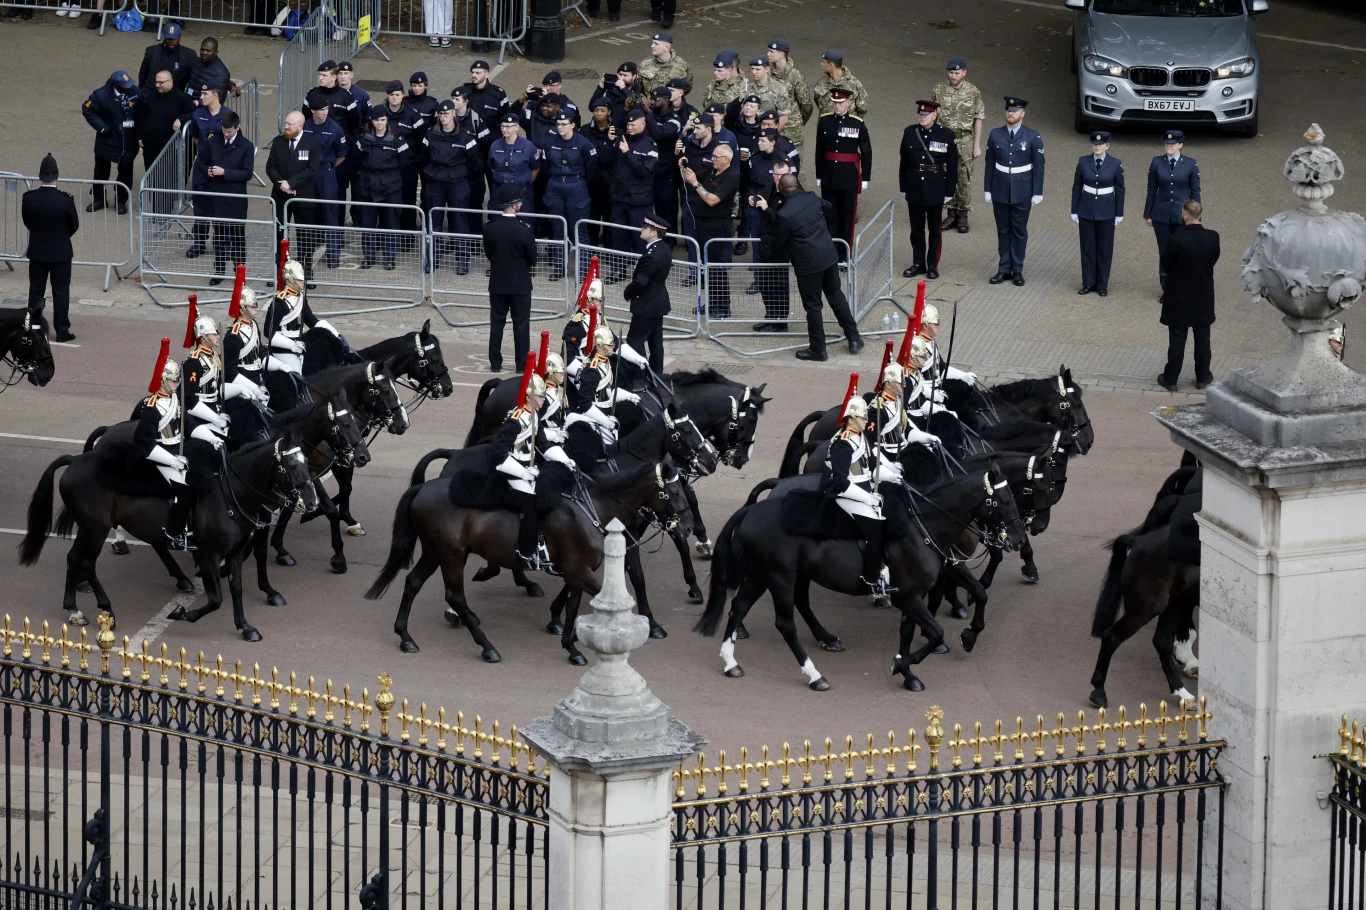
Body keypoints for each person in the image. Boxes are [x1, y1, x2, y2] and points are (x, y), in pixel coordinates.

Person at [771, 174, 862, 360]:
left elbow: (778, 243)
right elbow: (828, 208)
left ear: (780, 189)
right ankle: (853, 337)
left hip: (808, 265)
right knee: (836, 296)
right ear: (798, 185)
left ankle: (818, 349)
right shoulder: (812, 198)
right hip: (828, 256)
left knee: (813, 307)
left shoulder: (783, 214)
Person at [497, 359, 575, 570]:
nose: (543, 400)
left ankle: (542, 543)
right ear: (530, 396)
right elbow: (498, 455)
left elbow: (543, 444)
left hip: (529, 470)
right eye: (541, 396)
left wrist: (565, 460)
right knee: (531, 507)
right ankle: (526, 552)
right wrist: (523, 473)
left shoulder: (534, 417)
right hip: (511, 472)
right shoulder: (515, 420)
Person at [821, 383, 889, 594]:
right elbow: (841, 481)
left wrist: (893, 475)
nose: (866, 421)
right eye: (862, 418)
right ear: (850, 418)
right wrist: (868, 499)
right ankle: (871, 580)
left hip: (864, 488)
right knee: (875, 530)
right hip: (846, 493)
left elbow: (870, 466)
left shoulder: (860, 437)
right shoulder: (842, 444)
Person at [137, 339, 195, 550]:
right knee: (184, 491)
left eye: (178, 381)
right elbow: (146, 443)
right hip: (162, 454)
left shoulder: (174, 399)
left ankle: (192, 526)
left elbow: (186, 423)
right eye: (173, 381)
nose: (177, 385)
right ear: (163, 381)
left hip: (178, 448)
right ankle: (173, 533)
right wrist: (172, 460)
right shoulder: (151, 407)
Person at [1158, 200, 1219, 392]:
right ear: (1200, 215)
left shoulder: (1176, 239)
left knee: (1177, 338)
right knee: (1202, 337)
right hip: (1203, 294)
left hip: (1178, 296)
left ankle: (1171, 379)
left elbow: (1166, 265)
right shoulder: (1213, 237)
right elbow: (1213, 259)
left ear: (1184, 216)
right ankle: (1202, 377)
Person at [984, 96, 1045, 287]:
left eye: (1015, 111)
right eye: (1008, 110)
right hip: (1000, 188)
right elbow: (989, 164)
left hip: (1022, 190)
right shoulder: (995, 134)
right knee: (1003, 230)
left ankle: (1017, 270)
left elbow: (1039, 166)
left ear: (1022, 114)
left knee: (1019, 231)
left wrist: (1037, 191)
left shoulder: (1032, 136)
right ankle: (1003, 269)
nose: (1010, 113)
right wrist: (987, 189)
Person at [264, 258, 340, 409]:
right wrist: (292, 345)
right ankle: (294, 409)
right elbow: (269, 333)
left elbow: (311, 320)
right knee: (297, 377)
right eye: (299, 280)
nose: (303, 282)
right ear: (289, 280)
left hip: (300, 344)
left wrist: (332, 332)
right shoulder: (279, 302)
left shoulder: (300, 296)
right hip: (284, 348)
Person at [898, 100, 958, 280]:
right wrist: (903, 187)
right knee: (916, 229)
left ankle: (932, 264)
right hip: (914, 185)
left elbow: (953, 166)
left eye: (926, 115)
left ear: (935, 115)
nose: (923, 117)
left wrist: (949, 191)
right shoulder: (910, 133)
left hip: (935, 185)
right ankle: (918, 262)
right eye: (921, 114)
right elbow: (904, 163)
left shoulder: (946, 136)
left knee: (934, 229)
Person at [193, 109, 254, 287]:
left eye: (229, 131)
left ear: (238, 128)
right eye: (224, 130)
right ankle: (219, 270)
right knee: (218, 235)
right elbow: (201, 163)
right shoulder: (214, 141)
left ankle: (239, 271)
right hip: (217, 194)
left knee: (237, 236)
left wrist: (225, 172)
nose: (226, 134)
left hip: (235, 197)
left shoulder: (246, 146)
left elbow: (247, 173)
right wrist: (208, 171)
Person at [22, 155, 79, 343]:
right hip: (61, 252)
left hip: (38, 250)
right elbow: (74, 225)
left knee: (36, 290)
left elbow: (28, 222)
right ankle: (62, 330)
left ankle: (34, 329)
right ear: (57, 176)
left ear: (40, 177)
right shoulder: (65, 200)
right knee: (61, 291)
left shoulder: (29, 199)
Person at [423, 99, 482, 275]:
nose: (443, 117)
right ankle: (433, 259)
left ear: (453, 114)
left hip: (457, 183)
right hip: (436, 182)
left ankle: (463, 261)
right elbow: (424, 156)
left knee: (460, 223)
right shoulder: (430, 135)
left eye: (446, 113)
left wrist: (460, 174)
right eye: (441, 114)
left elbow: (475, 163)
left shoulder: (465, 136)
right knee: (434, 222)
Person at [483, 184, 538, 372]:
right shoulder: (524, 229)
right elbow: (532, 258)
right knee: (521, 325)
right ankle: (521, 365)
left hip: (498, 282)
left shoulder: (490, 228)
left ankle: (495, 364)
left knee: (496, 324)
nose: (521, 204)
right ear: (514, 205)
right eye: (519, 201)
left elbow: (489, 253)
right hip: (520, 285)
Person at [266, 112, 322, 285]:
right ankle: (280, 271)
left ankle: (306, 271)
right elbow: (270, 167)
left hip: (303, 196)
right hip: (281, 196)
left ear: (300, 126)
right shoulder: (278, 141)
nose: (286, 126)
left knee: (305, 236)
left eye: (290, 124)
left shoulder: (312, 143)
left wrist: (291, 183)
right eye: (285, 123)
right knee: (280, 235)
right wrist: (281, 183)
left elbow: (312, 170)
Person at [683, 144, 739, 318]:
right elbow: (688, 178)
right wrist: (683, 165)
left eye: (716, 157)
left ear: (727, 160)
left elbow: (713, 200)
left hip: (717, 227)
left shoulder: (731, 177)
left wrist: (696, 184)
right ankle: (713, 303)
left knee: (717, 267)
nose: (712, 159)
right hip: (702, 224)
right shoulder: (711, 171)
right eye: (713, 156)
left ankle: (722, 306)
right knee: (707, 267)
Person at [814, 88, 870, 261]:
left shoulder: (857, 124)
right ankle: (831, 255)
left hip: (848, 177)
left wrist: (866, 176)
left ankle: (845, 255)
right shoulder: (824, 122)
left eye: (840, 103)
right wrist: (819, 174)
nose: (837, 106)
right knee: (830, 217)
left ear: (848, 103)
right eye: (835, 102)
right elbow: (819, 150)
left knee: (847, 218)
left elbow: (866, 151)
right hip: (829, 176)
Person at [1143, 129, 1201, 296]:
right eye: (1167, 143)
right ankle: (1167, 288)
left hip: (1182, 215)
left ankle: (1181, 285)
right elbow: (1151, 189)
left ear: (1180, 145)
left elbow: (1195, 191)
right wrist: (1148, 214)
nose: (1169, 146)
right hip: (1161, 214)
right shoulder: (1156, 162)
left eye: (1173, 144)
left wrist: (1196, 216)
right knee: (1165, 251)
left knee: (1182, 250)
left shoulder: (1190, 164)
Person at [542, 109, 597, 281]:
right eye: (558, 124)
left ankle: (583, 269)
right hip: (555, 185)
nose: (560, 127)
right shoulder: (550, 142)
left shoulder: (584, 143)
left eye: (564, 124)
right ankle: (560, 267)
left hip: (576, 185)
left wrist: (579, 182)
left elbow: (592, 168)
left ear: (573, 125)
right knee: (558, 228)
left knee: (579, 229)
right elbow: (545, 166)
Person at [352, 107, 410, 270]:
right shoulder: (364, 139)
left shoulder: (397, 139)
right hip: (367, 185)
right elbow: (356, 160)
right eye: (376, 120)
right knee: (368, 223)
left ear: (387, 120)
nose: (379, 123)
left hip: (391, 185)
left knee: (391, 223)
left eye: (383, 120)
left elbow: (405, 162)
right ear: (372, 121)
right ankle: (368, 257)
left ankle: (390, 257)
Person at [932, 58, 984, 235]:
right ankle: (951, 213)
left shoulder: (973, 91)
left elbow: (978, 118)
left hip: (964, 140)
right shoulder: (939, 90)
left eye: (956, 73)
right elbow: (932, 117)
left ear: (964, 72)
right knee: (945, 174)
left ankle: (963, 215)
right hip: (944, 139)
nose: (953, 76)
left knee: (964, 176)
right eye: (951, 73)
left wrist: (976, 145)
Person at [605, 108, 659, 277]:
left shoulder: (651, 146)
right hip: (619, 198)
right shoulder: (621, 140)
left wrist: (627, 153)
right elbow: (604, 161)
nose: (630, 128)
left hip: (639, 201)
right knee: (618, 237)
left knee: (641, 238)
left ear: (643, 124)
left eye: (633, 125)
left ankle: (643, 272)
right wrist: (609, 142)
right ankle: (618, 270)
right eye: (628, 125)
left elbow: (644, 172)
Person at [1071, 130, 1125, 297]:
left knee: (1104, 249)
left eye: (1101, 144)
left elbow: (1120, 189)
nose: (1097, 146)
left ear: (1107, 146)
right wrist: (1074, 209)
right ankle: (1088, 282)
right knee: (1087, 247)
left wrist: (1119, 212)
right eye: (1095, 144)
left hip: (1107, 209)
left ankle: (1102, 284)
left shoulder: (1115, 164)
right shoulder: (1083, 161)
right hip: (1086, 208)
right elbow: (1077, 186)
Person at [82, 70, 143, 215]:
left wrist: (140, 134)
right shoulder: (100, 95)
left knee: (126, 170)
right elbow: (88, 109)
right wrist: (102, 127)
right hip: (108, 139)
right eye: (125, 86)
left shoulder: (136, 92)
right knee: (101, 170)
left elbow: (143, 112)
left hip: (128, 140)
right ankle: (98, 198)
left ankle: (121, 200)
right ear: (116, 86)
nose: (129, 87)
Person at [569, 325, 641, 444]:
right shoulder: (592, 370)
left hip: (606, 408)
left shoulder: (605, 361)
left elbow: (607, 391)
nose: (613, 346)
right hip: (593, 413)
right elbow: (585, 403)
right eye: (609, 345)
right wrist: (605, 421)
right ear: (599, 347)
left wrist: (628, 396)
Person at [301, 101, 348, 271]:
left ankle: (333, 255)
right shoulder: (305, 126)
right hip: (308, 172)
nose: (324, 112)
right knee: (309, 214)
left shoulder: (335, 128)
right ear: (313, 110)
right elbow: (300, 150)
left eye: (327, 109)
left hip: (326, 172)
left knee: (331, 214)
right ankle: (307, 253)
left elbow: (341, 155)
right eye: (321, 109)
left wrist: (327, 168)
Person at [624, 213, 673, 373]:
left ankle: (639, 376)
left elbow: (640, 283)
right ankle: (656, 375)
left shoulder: (652, 255)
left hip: (646, 305)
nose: (642, 229)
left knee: (634, 344)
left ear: (654, 232)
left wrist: (628, 292)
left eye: (646, 227)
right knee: (655, 342)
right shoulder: (663, 248)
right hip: (657, 303)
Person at [185, 83, 228, 256]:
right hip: (202, 167)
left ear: (215, 95)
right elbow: (195, 137)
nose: (201, 97)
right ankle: (199, 242)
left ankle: (222, 243)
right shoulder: (197, 114)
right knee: (201, 207)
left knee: (221, 206)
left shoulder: (228, 115)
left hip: (221, 166)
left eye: (204, 93)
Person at [751, 156, 792, 332]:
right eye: (777, 174)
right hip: (764, 243)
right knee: (765, 283)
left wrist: (767, 208)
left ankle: (780, 322)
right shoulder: (769, 188)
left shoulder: (790, 195)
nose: (780, 178)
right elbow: (757, 197)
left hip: (779, 246)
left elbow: (783, 221)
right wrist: (753, 200)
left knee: (778, 286)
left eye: (783, 175)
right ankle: (770, 317)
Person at [139, 70, 195, 180]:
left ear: (171, 82)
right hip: (150, 144)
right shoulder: (152, 95)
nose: (157, 85)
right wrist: (140, 136)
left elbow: (194, 113)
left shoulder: (182, 97)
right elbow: (143, 116)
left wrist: (181, 119)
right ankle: (152, 196)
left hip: (169, 145)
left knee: (167, 176)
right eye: (156, 82)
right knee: (151, 173)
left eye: (161, 82)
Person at [337, 62, 371, 225]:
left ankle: (357, 217)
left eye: (346, 74)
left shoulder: (361, 95)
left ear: (352, 75)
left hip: (355, 141)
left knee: (358, 183)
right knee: (339, 185)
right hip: (338, 143)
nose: (343, 77)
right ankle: (339, 219)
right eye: (340, 74)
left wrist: (361, 140)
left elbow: (367, 119)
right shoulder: (332, 93)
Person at [582, 93, 618, 245]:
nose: (598, 114)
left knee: (610, 217)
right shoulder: (585, 131)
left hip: (610, 182)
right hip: (591, 181)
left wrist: (603, 149)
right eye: (596, 110)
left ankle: (610, 248)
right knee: (592, 216)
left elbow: (609, 158)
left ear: (609, 112)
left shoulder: (616, 132)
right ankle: (592, 248)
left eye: (602, 110)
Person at [488, 113, 541, 214]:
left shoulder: (528, 146)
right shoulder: (495, 145)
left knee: (524, 220)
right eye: (502, 126)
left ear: (517, 127)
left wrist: (523, 181)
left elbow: (535, 168)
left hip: (521, 190)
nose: (504, 129)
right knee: (497, 218)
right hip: (500, 188)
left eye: (508, 126)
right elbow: (492, 166)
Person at [767, 39, 813, 153]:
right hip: (771, 126)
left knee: (795, 166)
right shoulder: (768, 74)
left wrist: (797, 121)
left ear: (782, 54)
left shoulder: (795, 75)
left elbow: (806, 104)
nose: (768, 54)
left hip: (792, 130)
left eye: (771, 51)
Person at [303, 61, 360, 139]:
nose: (320, 78)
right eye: (319, 74)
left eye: (324, 75)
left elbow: (353, 121)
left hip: (338, 141)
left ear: (333, 77)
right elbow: (306, 116)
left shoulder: (345, 96)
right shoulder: (312, 94)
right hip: (315, 139)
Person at [138, 22, 196, 93]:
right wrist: (141, 90)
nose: (171, 41)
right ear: (164, 37)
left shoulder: (189, 55)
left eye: (174, 39)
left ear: (180, 37)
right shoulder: (151, 51)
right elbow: (143, 73)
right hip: (152, 92)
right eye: (168, 39)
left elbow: (193, 79)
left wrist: (188, 95)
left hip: (175, 95)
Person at [812, 50, 869, 118]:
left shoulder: (854, 84)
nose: (821, 64)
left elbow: (863, 108)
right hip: (826, 126)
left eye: (823, 62)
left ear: (831, 64)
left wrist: (853, 123)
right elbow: (817, 102)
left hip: (847, 126)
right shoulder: (821, 83)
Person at [746, 56, 793, 134]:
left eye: (757, 69)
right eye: (752, 69)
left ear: (767, 69)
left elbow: (784, 117)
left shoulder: (779, 88)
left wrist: (771, 135)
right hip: (748, 132)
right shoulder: (746, 86)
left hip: (768, 132)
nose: (754, 72)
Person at [702, 51, 746, 123]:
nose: (715, 73)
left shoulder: (737, 89)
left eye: (719, 71)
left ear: (729, 71)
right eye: (715, 70)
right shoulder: (712, 85)